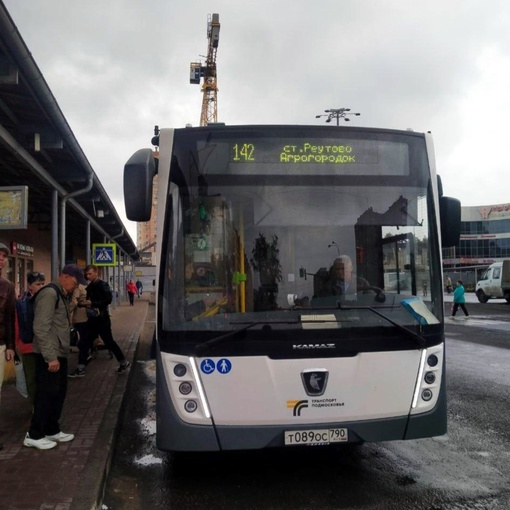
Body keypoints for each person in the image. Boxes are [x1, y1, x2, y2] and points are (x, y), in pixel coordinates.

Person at [23, 264, 87, 450]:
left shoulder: (61, 294)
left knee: (58, 393)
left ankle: (52, 429)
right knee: (46, 394)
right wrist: (50, 357)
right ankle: (34, 434)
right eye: (75, 283)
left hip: (59, 352)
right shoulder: (49, 294)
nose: (76, 287)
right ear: (64, 277)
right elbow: (41, 328)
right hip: (49, 354)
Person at [84, 264, 130, 374]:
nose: (88, 276)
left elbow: (108, 299)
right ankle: (84, 360)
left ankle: (123, 362)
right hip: (93, 317)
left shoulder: (102, 285)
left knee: (108, 341)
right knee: (86, 338)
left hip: (101, 318)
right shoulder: (91, 286)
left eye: (90, 273)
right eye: (87, 274)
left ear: (96, 273)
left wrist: (93, 303)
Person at [15, 271, 47, 403]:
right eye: (38, 284)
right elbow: (16, 324)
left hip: (45, 347)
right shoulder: (21, 303)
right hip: (28, 347)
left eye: (43, 284)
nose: (41, 287)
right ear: (29, 286)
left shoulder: (47, 301)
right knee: (31, 378)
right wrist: (17, 344)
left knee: (45, 378)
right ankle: (36, 406)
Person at [0, 243, 16, 451]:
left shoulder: (8, 287)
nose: (1, 259)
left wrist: (11, 345)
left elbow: (10, 318)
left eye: (3, 256)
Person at [68, 283, 93, 378]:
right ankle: (85, 357)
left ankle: (80, 369)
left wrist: (65, 312)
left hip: (79, 318)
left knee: (79, 342)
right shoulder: (86, 286)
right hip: (86, 317)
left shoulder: (77, 288)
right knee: (84, 342)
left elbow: (74, 302)